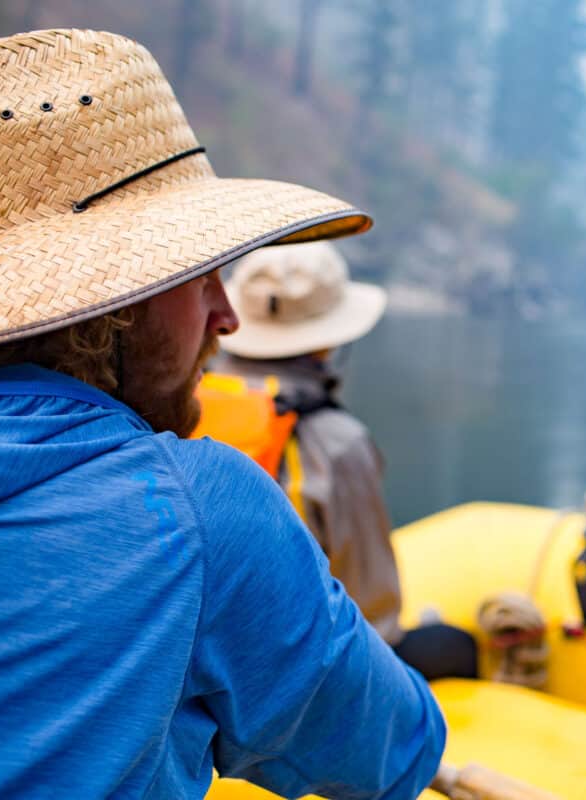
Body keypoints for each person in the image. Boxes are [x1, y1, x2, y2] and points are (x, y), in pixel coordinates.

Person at [0, 28, 445, 799]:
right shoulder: (196, 509)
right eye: (197, 274)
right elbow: (393, 752)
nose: (226, 316)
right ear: (114, 304)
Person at [201, 240, 479, 681]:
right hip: (294, 678)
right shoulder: (336, 441)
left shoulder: (185, 406)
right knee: (453, 648)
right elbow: (373, 617)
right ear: (328, 343)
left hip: (207, 661)